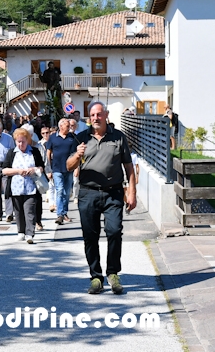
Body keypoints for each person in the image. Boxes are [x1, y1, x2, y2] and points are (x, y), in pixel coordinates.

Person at [67, 101, 136, 296]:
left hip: (113, 192)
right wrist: (77, 155)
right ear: (89, 118)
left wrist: (132, 192)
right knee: (91, 236)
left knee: (114, 231)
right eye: (92, 115)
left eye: (99, 114)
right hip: (88, 193)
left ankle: (113, 273)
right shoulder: (81, 138)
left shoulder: (118, 137)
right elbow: (69, 166)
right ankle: (96, 277)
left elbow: (129, 168)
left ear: (106, 115)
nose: (96, 118)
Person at [2, 127, 45, 244]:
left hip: (31, 187)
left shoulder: (34, 151)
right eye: (18, 141)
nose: (21, 144)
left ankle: (30, 234)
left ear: (28, 140)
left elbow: (42, 167)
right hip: (16, 187)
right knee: (18, 211)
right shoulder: (11, 153)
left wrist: (34, 169)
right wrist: (17, 171)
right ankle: (20, 232)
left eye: (23, 141)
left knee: (29, 210)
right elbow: (4, 170)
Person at [47, 118, 79, 225]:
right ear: (61, 126)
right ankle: (60, 214)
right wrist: (49, 168)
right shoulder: (53, 137)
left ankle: (64, 212)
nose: (69, 127)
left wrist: (76, 168)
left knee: (67, 192)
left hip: (69, 169)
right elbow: (48, 153)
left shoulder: (73, 137)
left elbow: (76, 154)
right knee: (59, 190)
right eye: (67, 125)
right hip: (57, 168)